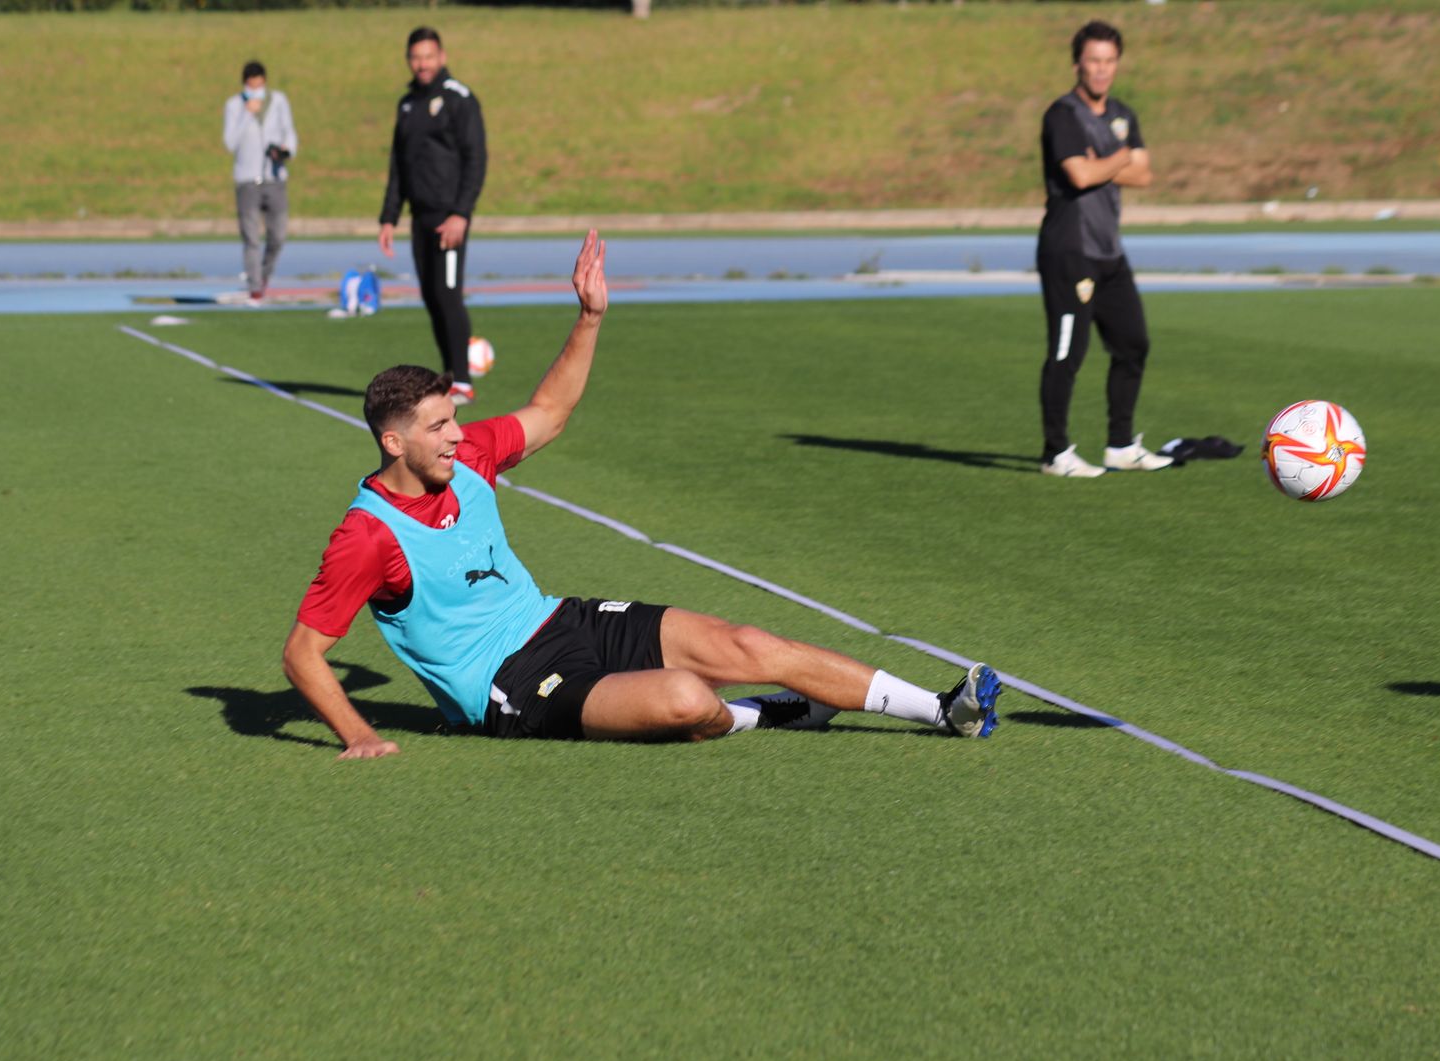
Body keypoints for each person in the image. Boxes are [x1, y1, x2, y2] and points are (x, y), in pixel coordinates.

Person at [283, 231, 1004, 759]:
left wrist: (590, 318)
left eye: (454, 418)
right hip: (507, 687)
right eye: (438, 425)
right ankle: (773, 716)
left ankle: (944, 709)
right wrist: (361, 735)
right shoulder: (367, 536)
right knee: (689, 698)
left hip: (558, 619)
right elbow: (303, 654)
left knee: (746, 642)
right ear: (392, 442)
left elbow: (551, 412)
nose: (455, 434)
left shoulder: (466, 455)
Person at [1036, 21, 1173, 478]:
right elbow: (1080, 175)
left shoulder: (1122, 113)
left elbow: (1145, 174)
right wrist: (1120, 158)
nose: (1101, 70)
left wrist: (1104, 163)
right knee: (1067, 353)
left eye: (1109, 61)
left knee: (1133, 343)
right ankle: (1056, 453)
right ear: (1078, 63)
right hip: (1068, 250)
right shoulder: (1062, 115)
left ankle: (1120, 445)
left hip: (1108, 252)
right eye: (1093, 60)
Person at [378, 26, 487, 407]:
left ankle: (462, 380)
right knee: (430, 295)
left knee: (448, 294)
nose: (422, 64)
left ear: (441, 56)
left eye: (428, 56)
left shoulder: (460, 99)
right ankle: (449, 377)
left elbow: (476, 159)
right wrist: (389, 217)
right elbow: (399, 165)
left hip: (449, 218)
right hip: (420, 217)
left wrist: (461, 213)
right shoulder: (407, 104)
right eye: (415, 57)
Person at [223, 59, 298, 304]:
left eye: (259, 85)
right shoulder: (234, 106)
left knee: (278, 236)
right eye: (251, 86)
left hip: (275, 178)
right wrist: (247, 114)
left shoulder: (278, 101)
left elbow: (290, 132)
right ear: (245, 85)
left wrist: (286, 150)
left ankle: (264, 275)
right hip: (247, 180)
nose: (256, 90)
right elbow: (230, 142)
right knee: (251, 238)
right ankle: (255, 288)